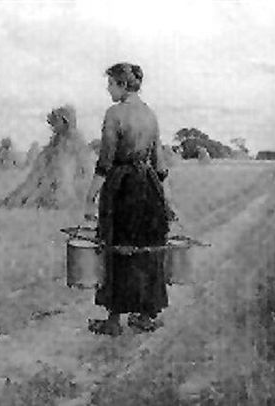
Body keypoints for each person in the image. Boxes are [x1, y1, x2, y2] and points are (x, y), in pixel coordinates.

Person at [84, 63, 171, 336]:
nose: (108, 89)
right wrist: (166, 199)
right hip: (149, 187)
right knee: (146, 247)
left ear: (122, 84)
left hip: (122, 188)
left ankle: (113, 320)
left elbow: (106, 159)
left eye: (110, 83)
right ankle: (145, 315)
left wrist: (90, 196)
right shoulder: (150, 114)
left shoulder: (115, 113)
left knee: (116, 246)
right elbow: (159, 163)